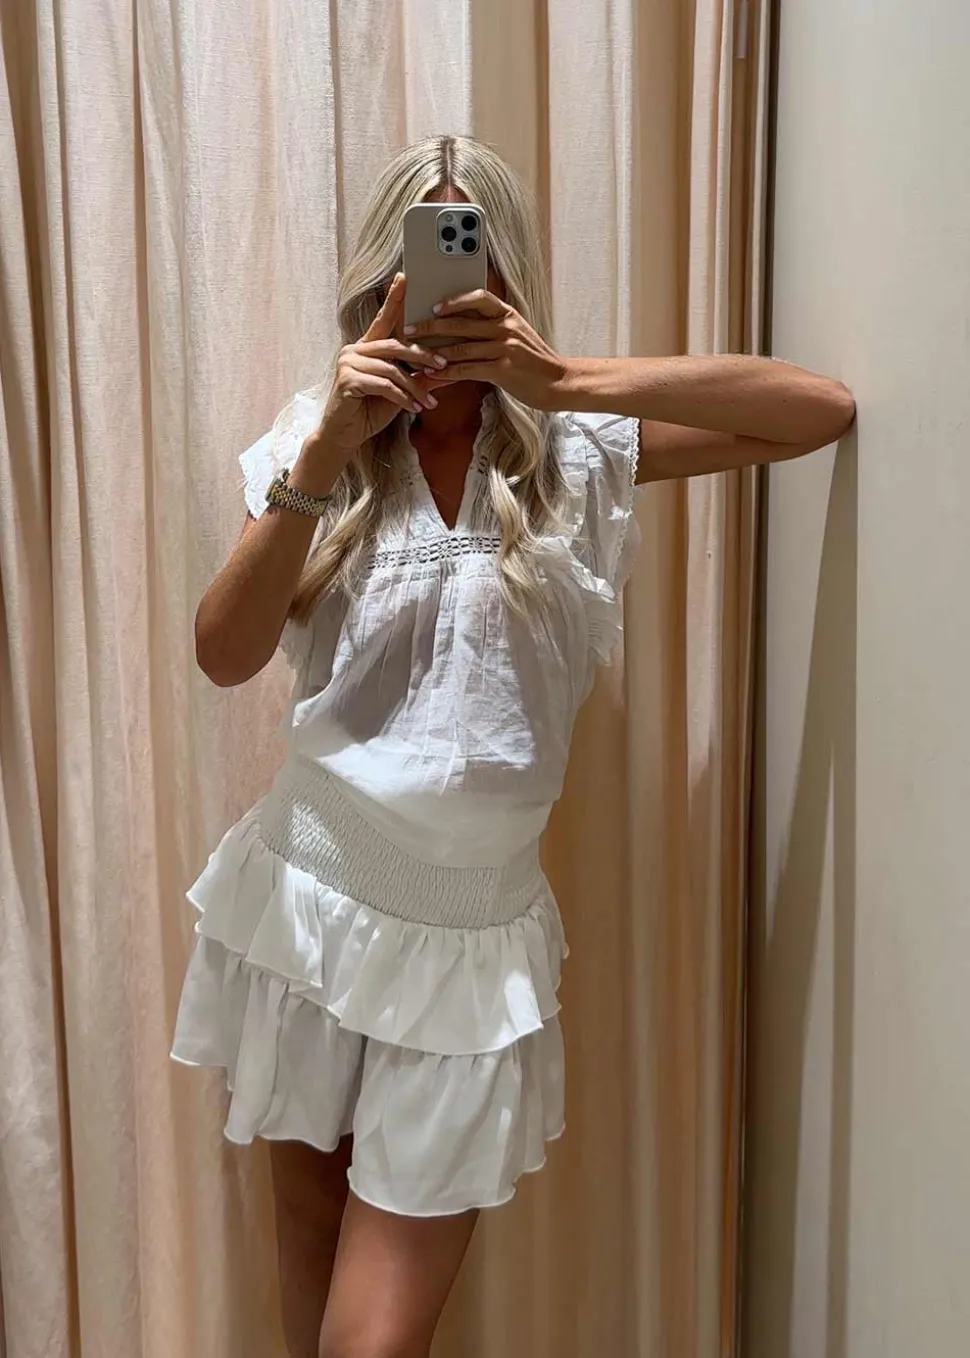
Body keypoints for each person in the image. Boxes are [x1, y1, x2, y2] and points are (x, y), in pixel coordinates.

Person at [171, 135, 854, 1358]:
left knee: (370, 1340)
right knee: (306, 1279)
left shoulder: (574, 450)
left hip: (471, 939)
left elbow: (815, 412)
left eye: (469, 250)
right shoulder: (318, 440)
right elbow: (223, 653)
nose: (446, 284)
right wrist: (323, 451)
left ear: (506, 270)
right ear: (381, 272)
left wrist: (566, 377)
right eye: (423, 251)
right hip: (311, 902)